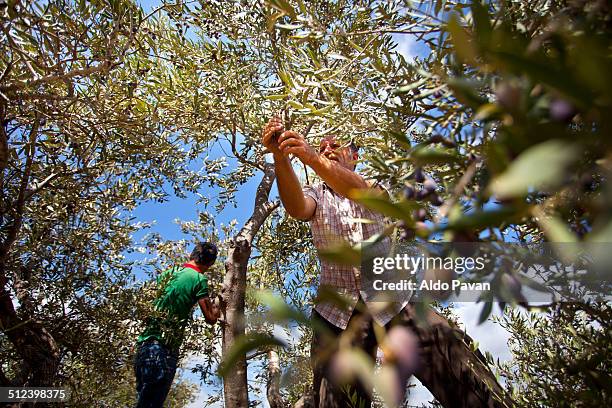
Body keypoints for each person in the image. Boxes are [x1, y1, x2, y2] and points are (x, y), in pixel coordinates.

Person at [261, 116, 510, 408]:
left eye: (335, 145)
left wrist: (313, 157)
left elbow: (364, 193)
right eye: (322, 146)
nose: (327, 149)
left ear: (354, 156)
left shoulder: (375, 185)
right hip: (336, 313)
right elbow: (297, 207)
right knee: (339, 399)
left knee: (453, 356)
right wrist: (281, 157)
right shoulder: (316, 193)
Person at [134, 242, 221, 408]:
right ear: (210, 263)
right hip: (163, 348)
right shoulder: (198, 278)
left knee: (144, 401)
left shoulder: (169, 273)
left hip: (144, 347)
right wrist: (218, 304)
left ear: (192, 255)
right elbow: (210, 318)